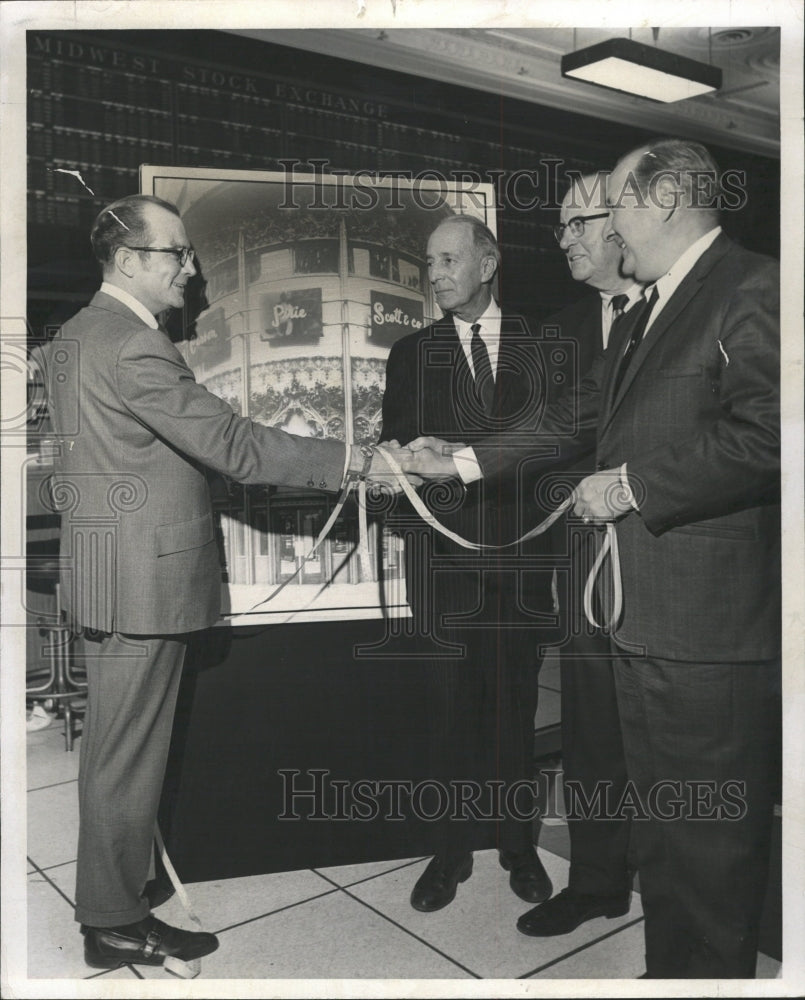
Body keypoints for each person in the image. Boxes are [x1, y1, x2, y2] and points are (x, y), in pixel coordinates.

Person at [403, 139, 780, 978]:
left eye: (614, 203)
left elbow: (771, 432)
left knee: (705, 839)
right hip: (639, 616)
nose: (604, 225)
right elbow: (574, 418)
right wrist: (461, 461)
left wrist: (632, 485)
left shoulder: (755, 286)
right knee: (666, 825)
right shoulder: (654, 308)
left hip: (703, 624)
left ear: (668, 198)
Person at [41, 194, 403, 972]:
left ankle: (121, 896)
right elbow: (232, 445)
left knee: (115, 752)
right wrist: (356, 461)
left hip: (110, 572)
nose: (191, 269)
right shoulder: (134, 345)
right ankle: (111, 921)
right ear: (130, 260)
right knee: (126, 759)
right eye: (176, 253)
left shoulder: (73, 337)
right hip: (142, 580)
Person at [380, 214, 554, 913]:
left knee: (515, 703)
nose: (436, 273)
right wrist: (408, 458)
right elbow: (395, 449)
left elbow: (555, 446)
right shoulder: (410, 353)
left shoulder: (544, 345)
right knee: (449, 708)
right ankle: (449, 852)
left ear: (487, 264)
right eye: (429, 263)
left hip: (522, 557)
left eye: (449, 259)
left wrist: (465, 454)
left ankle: (517, 845)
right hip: (444, 563)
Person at [517, 173, 643, 939]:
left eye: (572, 224)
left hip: (678, 557)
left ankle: (688, 881)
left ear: (618, 223)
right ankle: (597, 879)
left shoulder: (686, 306)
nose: (561, 239)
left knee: (680, 735)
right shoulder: (556, 331)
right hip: (584, 561)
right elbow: (543, 437)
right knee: (593, 727)